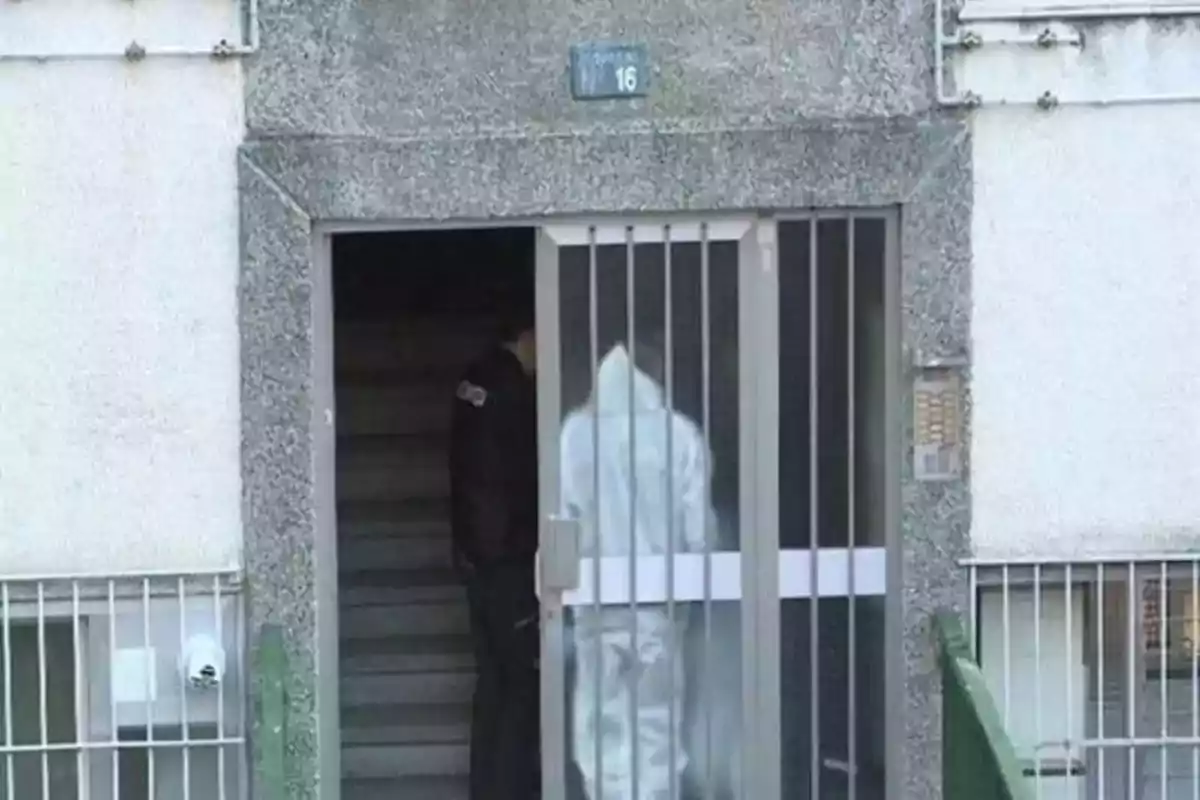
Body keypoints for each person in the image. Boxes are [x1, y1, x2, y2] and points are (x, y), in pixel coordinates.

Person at [559, 335, 713, 800]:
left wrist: (563, 595)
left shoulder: (575, 433)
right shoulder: (680, 433)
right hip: (657, 614)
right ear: (655, 376)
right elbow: (699, 533)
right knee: (657, 734)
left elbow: (563, 523)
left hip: (595, 611)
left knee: (600, 738)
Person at [450, 305, 540, 800]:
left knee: (493, 686)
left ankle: (486, 788)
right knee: (520, 690)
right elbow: (516, 482)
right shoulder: (512, 393)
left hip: (477, 562)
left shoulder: (476, 381)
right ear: (529, 333)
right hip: (506, 567)